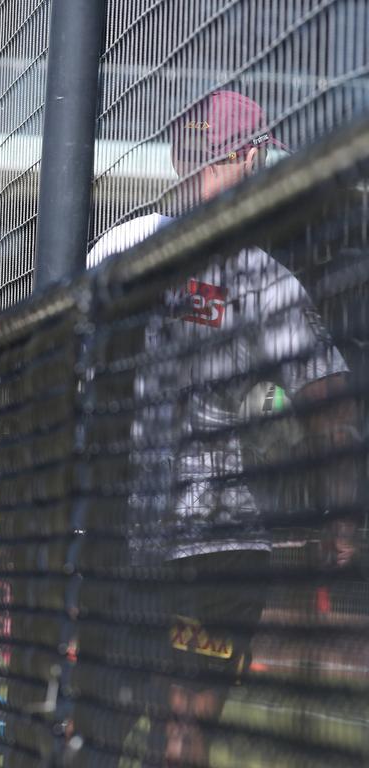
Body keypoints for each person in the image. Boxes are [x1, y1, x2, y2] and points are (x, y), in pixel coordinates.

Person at [80, 91, 354, 765]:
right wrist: (342, 517)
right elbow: (330, 399)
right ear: (250, 156)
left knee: (95, 722)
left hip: (121, 532)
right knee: (185, 731)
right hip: (221, 542)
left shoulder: (123, 246)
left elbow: (74, 374)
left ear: (180, 157)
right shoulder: (263, 277)